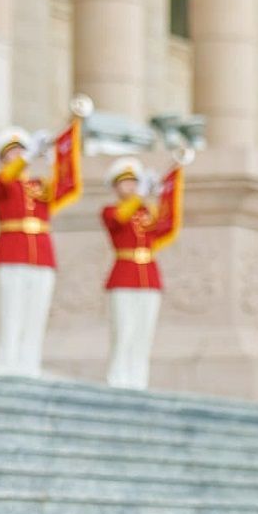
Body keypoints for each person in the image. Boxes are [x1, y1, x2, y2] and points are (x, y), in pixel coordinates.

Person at [0, 127, 77, 377]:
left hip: (41, 255)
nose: (18, 156)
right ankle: (6, 365)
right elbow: (6, 180)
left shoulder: (40, 186)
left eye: (21, 151)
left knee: (36, 315)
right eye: (13, 152)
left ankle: (29, 366)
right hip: (12, 253)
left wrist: (58, 158)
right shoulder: (0, 182)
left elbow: (66, 186)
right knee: (11, 313)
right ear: (3, 158)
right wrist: (28, 157)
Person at [101, 156, 182, 389]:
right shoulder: (111, 210)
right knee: (123, 331)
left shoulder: (148, 212)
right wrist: (140, 198)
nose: (131, 187)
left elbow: (167, 224)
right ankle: (117, 378)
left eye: (134, 182)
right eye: (125, 183)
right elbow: (118, 220)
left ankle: (138, 379)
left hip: (148, 278)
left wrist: (172, 184)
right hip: (124, 276)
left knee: (143, 334)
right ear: (115, 187)